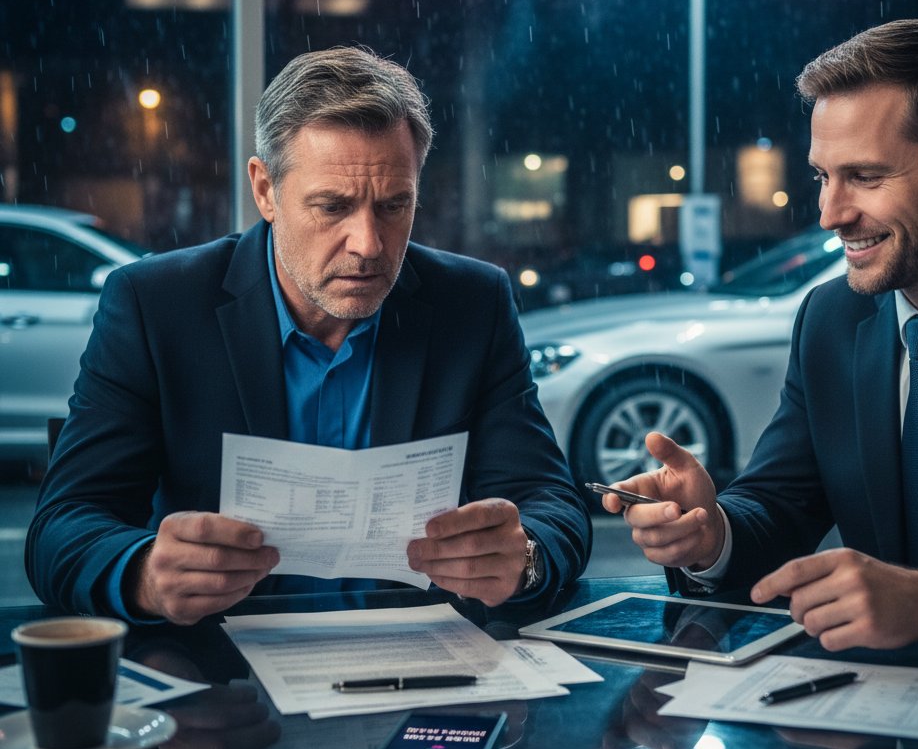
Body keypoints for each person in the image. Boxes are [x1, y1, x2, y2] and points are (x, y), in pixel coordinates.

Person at [26, 46, 591, 625]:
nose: (369, 244)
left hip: (420, 660)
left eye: (395, 205)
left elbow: (552, 505)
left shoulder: (473, 304)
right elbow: (62, 528)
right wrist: (144, 572)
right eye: (333, 207)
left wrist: (523, 557)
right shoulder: (156, 307)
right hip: (229, 673)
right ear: (266, 191)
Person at [599, 19, 918, 671]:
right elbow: (779, 503)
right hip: (873, 743)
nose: (830, 213)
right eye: (823, 176)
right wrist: (712, 534)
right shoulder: (829, 319)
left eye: (865, 176)